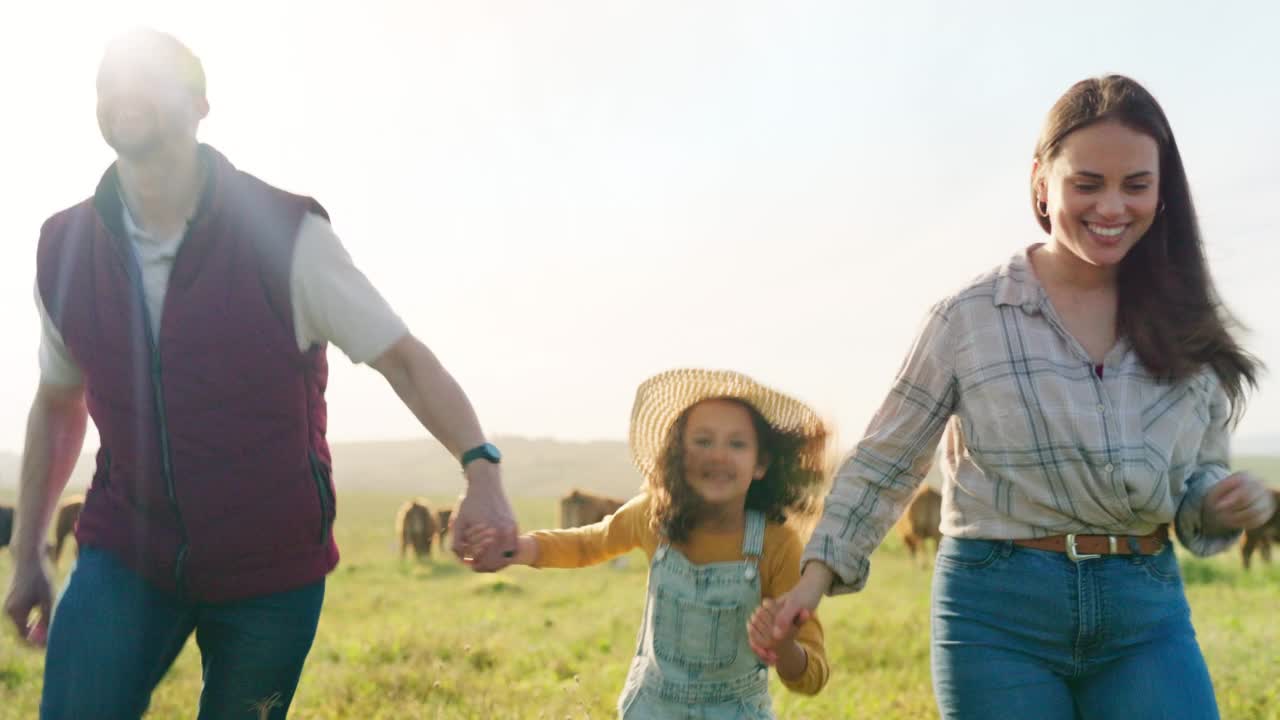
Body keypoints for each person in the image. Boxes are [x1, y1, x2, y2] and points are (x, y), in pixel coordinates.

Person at [2, 28, 518, 719]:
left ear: (200, 104)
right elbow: (59, 402)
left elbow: (403, 360)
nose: (125, 94)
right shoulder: (64, 248)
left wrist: (480, 471)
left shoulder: (286, 236)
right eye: (110, 82)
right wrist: (30, 548)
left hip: (270, 567)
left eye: (150, 79)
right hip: (127, 549)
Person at [769, 75, 1275, 720]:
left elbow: (1196, 473)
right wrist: (813, 578)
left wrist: (1222, 499)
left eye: (1136, 185)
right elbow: (885, 459)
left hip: (1145, 614)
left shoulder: (1186, 321)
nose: (1112, 207)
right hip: (997, 614)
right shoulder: (969, 317)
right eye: (1086, 184)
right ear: (1041, 181)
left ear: (1163, 190)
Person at [477, 368, 831, 719]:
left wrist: (783, 646)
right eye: (703, 441)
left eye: (736, 444)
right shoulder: (654, 516)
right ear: (677, 454)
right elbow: (589, 543)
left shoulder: (776, 544)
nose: (719, 455)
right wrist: (520, 548)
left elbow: (813, 671)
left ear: (761, 463)